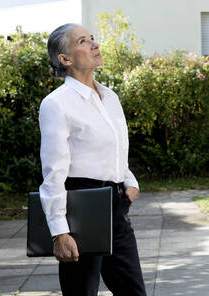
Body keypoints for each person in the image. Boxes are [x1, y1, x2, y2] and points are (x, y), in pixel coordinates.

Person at [39, 23, 146, 296]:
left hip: (116, 204)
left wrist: (130, 184)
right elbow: (54, 172)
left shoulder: (110, 96)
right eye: (83, 41)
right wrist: (60, 232)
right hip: (81, 206)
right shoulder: (57, 104)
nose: (94, 44)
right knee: (81, 292)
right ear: (65, 59)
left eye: (93, 38)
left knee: (133, 291)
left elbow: (117, 147)